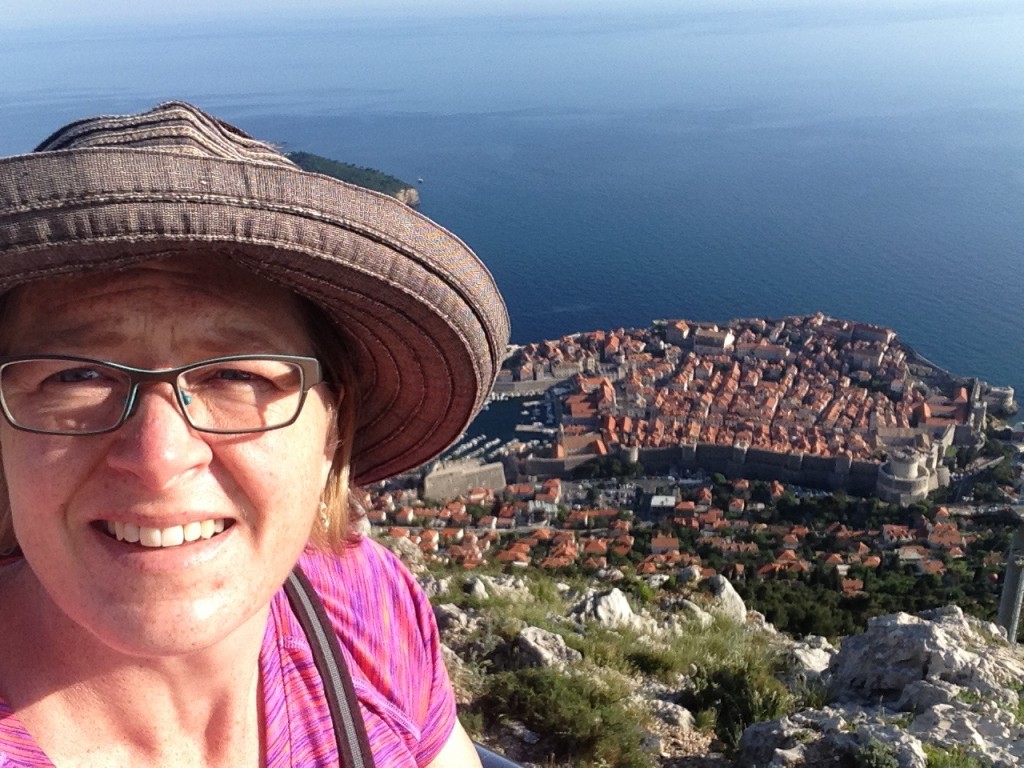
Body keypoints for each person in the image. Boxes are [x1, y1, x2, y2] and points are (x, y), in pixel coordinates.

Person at [0, 101, 510, 767]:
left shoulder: (361, 602)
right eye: (76, 377)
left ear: (334, 425)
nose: (158, 457)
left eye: (236, 375)